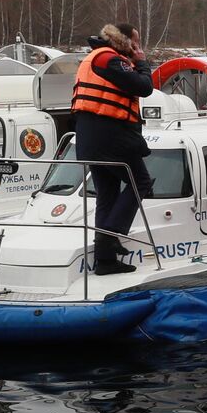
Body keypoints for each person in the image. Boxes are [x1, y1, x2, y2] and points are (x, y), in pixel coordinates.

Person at [71, 22, 154, 274]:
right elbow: (144, 87)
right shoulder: (109, 59)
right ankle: (109, 238)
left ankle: (105, 261)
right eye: (136, 42)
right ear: (125, 41)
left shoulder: (96, 57)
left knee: (107, 195)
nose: (138, 47)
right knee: (141, 182)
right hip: (110, 136)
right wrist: (142, 62)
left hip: (90, 139)